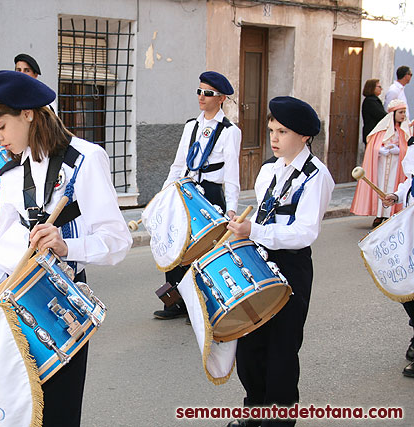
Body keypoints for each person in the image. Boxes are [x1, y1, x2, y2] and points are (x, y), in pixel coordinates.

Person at [0, 70, 132, 426]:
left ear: (29, 114)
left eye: (2, 127)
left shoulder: (84, 159)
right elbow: (4, 250)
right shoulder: (9, 174)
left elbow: (118, 242)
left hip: (64, 309)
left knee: (60, 417)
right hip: (13, 310)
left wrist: (66, 246)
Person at [226, 96, 334, 426]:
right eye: (272, 130)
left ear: (304, 136)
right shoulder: (268, 171)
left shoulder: (316, 176)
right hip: (259, 261)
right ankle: (255, 411)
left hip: (291, 266)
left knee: (282, 350)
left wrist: (255, 231)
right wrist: (240, 226)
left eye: (282, 132)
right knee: (250, 345)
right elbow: (261, 213)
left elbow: (305, 232)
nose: (274, 138)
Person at [154, 71, 241, 320]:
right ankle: (176, 301)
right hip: (186, 190)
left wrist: (232, 208)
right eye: (199, 91)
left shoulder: (229, 131)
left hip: (211, 194)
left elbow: (232, 172)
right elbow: (178, 164)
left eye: (208, 93)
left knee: (205, 251)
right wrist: (165, 193)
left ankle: (205, 304)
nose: (202, 97)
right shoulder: (192, 126)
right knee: (176, 244)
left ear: (222, 98)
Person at [0, 53, 55, 151]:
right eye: (18, 70)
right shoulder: (9, 98)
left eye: (26, 70)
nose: (21, 74)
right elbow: (1, 122)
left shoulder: (45, 101)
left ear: (35, 75)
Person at [382, 136, 414, 379]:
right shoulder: (413, 143)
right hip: (410, 227)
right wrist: (396, 195)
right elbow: (410, 180)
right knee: (407, 287)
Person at [350, 99, 410, 227]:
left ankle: (390, 215)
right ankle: (379, 214)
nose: (403, 115)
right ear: (393, 113)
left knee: (394, 188)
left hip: (396, 165)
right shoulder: (381, 129)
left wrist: (399, 150)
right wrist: (380, 150)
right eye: (401, 112)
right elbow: (372, 146)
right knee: (380, 187)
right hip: (382, 165)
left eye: (404, 112)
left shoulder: (403, 131)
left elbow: (408, 149)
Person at [361, 79, 386, 145]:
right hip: (372, 133)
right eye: (379, 87)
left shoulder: (374, 100)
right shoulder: (370, 101)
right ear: (372, 88)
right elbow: (381, 115)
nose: (381, 89)